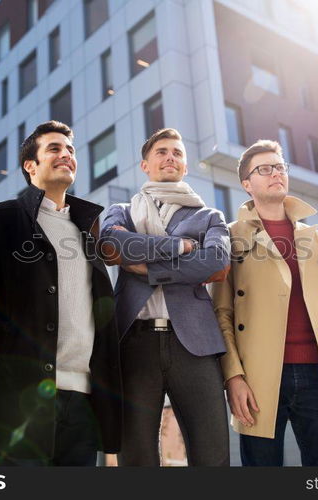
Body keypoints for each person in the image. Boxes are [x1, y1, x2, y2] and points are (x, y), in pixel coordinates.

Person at [0, 121, 122, 466]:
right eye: (54, 148)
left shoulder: (89, 229)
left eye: (70, 150)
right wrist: (8, 350)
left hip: (83, 403)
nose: (65, 154)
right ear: (30, 165)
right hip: (21, 399)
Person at [210, 140, 318, 466]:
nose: (276, 173)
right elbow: (222, 313)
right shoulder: (230, 236)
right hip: (258, 376)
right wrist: (233, 377)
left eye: (279, 166)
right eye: (264, 169)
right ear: (247, 184)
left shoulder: (312, 236)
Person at [99, 128, 230, 466]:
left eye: (177, 152)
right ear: (145, 164)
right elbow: (114, 245)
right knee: (136, 453)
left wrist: (149, 269)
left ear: (185, 166)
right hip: (134, 343)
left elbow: (215, 261)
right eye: (161, 151)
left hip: (195, 343)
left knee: (212, 452)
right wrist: (181, 247)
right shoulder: (122, 212)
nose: (170, 157)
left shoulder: (209, 216)